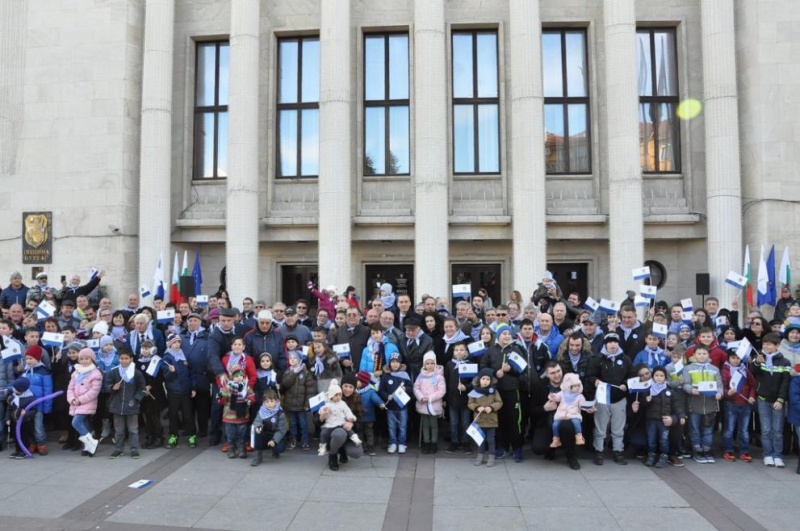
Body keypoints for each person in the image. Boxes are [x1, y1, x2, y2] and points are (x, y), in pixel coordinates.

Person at [479, 323, 526, 462]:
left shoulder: (516, 350)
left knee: (514, 420)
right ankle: (502, 447)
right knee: (499, 420)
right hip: (496, 392)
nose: (506, 336)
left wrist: (509, 370)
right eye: (504, 334)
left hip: (512, 390)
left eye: (508, 334)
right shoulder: (491, 350)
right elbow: (483, 367)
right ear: (498, 336)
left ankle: (517, 448)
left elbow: (523, 370)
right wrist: (494, 373)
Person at [587, 333, 633, 466]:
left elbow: (632, 375)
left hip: (619, 398)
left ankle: (618, 451)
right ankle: (599, 451)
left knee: (618, 428)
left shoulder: (625, 359)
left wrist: (626, 384)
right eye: (610, 342)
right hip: (602, 398)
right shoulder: (597, 359)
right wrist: (594, 381)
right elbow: (590, 375)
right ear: (605, 344)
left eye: (615, 342)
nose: (613, 344)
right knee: (600, 427)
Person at [750, 333, 791, 468]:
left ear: (777, 346)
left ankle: (777, 455)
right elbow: (752, 372)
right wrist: (756, 362)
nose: (766, 346)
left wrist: (780, 399)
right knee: (766, 429)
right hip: (763, 399)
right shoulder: (759, 358)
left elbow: (785, 383)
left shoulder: (784, 362)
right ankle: (767, 454)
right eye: (764, 344)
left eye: (769, 344)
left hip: (777, 401)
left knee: (777, 430)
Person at [682, 345, 723, 464]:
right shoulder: (688, 368)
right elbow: (686, 384)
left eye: (704, 353)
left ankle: (707, 449)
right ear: (694, 355)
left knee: (708, 429)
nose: (701, 356)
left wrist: (719, 393)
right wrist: (691, 390)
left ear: (708, 354)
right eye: (699, 353)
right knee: (694, 428)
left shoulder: (714, 369)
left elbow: (719, 385)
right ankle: (697, 450)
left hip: (710, 404)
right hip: (695, 403)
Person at [637, 366, 684, 468]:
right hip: (651, 420)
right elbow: (642, 405)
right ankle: (651, 455)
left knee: (664, 439)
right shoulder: (648, 390)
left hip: (663, 420)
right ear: (653, 377)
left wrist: (681, 415)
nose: (659, 378)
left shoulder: (669, 391)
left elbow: (676, 405)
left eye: (661, 376)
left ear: (665, 378)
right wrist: (646, 401)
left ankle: (664, 456)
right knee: (651, 439)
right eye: (656, 375)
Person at [107, 349, 146, 459]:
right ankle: (118, 449)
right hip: (117, 405)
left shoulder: (136, 373)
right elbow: (107, 385)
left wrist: (136, 399)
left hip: (131, 406)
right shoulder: (114, 371)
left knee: (133, 430)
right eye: (122, 358)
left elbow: (142, 389)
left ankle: (134, 449)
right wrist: (112, 388)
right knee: (119, 430)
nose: (124, 361)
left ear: (131, 359)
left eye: (126, 358)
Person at [720, 348, 756, 462]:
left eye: (738, 358)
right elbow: (723, 386)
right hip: (731, 403)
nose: (735, 360)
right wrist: (727, 393)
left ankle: (744, 451)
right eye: (733, 358)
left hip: (745, 404)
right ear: (728, 358)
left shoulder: (745, 370)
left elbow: (752, 385)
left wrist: (751, 396)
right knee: (729, 429)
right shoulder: (725, 370)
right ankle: (728, 450)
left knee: (744, 430)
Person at [162, 333, 196, 449]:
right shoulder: (167, 358)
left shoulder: (184, 355)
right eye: (174, 343)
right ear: (169, 345)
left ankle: (191, 435)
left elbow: (191, 373)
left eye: (178, 342)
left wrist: (193, 387)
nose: (176, 345)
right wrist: (171, 371)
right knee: (173, 415)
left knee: (188, 415)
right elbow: (167, 377)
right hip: (173, 391)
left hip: (186, 390)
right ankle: (173, 436)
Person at [67, 348, 103, 456]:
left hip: (86, 403)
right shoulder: (76, 372)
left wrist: (79, 400)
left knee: (76, 422)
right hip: (75, 403)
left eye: (87, 358)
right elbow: (70, 388)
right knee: (85, 425)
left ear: (92, 359)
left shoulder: (96, 374)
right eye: (81, 359)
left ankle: (92, 442)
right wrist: (72, 399)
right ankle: (88, 447)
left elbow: (93, 392)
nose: (84, 361)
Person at [20, 345, 53, 455]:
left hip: (38, 405)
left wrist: (47, 406)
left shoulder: (44, 371)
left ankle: (41, 443)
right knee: (29, 426)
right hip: (27, 404)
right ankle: (32, 443)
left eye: (31, 358)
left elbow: (48, 390)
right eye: (27, 358)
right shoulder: (25, 371)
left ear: (38, 358)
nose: (28, 361)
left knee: (38, 426)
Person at [468, 368, 503, 467]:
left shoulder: (494, 391)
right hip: (479, 420)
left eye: (487, 379)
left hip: (491, 420)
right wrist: (477, 407)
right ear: (479, 379)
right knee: (480, 440)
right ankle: (480, 456)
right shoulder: (474, 391)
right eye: (483, 379)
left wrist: (491, 408)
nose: (485, 381)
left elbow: (499, 402)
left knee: (491, 440)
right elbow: (470, 403)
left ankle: (491, 456)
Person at [444, 341, 474, 454]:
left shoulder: (470, 364)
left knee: (465, 422)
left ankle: (466, 442)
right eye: (456, 350)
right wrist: (445, 399)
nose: (459, 352)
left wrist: (466, 387)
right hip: (452, 399)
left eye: (461, 350)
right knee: (454, 422)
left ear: (466, 352)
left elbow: (474, 382)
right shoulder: (449, 364)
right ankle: (454, 441)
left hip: (465, 399)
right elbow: (446, 381)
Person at [217, 367, 255, 459]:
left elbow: (252, 396)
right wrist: (222, 394)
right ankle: (231, 449)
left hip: (242, 415)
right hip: (230, 416)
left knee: (241, 434)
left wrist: (250, 401)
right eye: (236, 376)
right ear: (232, 377)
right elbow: (221, 399)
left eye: (240, 376)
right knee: (230, 434)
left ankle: (242, 449)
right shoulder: (228, 386)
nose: (238, 378)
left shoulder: (246, 386)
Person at [281, 351, 315, 451]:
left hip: (301, 405)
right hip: (290, 404)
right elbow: (285, 384)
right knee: (292, 424)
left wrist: (307, 403)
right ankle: (293, 440)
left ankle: (305, 442)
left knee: (303, 424)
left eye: (295, 358)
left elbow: (310, 390)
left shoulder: (306, 373)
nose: (292, 360)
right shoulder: (288, 372)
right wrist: (293, 373)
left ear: (300, 360)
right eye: (290, 358)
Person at [379, 353, 411, 454]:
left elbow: (411, 388)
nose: (395, 364)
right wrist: (386, 396)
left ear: (400, 363)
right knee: (391, 426)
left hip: (402, 406)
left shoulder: (405, 375)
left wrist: (406, 388)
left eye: (397, 362)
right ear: (389, 363)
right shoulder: (385, 376)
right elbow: (381, 390)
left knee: (402, 426)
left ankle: (401, 443)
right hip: (391, 407)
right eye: (393, 362)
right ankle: (392, 443)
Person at [414, 351, 446, 454]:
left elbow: (441, 390)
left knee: (433, 425)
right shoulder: (420, 376)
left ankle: (434, 443)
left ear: (435, 364)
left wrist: (431, 398)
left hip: (433, 405)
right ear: (424, 364)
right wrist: (421, 397)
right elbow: (416, 387)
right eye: (427, 363)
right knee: (425, 425)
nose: (430, 366)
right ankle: (426, 442)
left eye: (432, 363)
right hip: (423, 404)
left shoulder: (439, 377)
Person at [318, 378, 360, 455]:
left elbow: (350, 413)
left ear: (354, 388)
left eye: (351, 387)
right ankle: (331, 453)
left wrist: (351, 421)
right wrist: (322, 415)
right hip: (331, 426)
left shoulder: (349, 401)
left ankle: (346, 448)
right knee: (336, 434)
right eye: (345, 386)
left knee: (356, 452)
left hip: (343, 425)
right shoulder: (327, 402)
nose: (348, 389)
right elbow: (318, 415)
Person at [250, 388, 288, 466]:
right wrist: (258, 426)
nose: (269, 404)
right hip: (264, 433)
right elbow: (257, 421)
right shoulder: (261, 411)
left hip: (275, 434)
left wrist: (274, 440)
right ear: (264, 402)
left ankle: (275, 450)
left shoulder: (280, 413)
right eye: (267, 402)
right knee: (256, 430)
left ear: (276, 401)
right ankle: (258, 456)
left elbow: (282, 430)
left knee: (280, 447)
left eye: (271, 401)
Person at [549, 372, 586, 448]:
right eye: (574, 386)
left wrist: (587, 407)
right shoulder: (562, 393)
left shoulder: (580, 396)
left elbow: (582, 405)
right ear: (568, 386)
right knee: (555, 424)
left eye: (578, 385)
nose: (577, 388)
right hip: (561, 414)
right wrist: (553, 396)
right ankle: (556, 438)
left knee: (576, 422)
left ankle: (579, 436)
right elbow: (557, 397)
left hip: (574, 414)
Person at [353, 370, 385, 456]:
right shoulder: (355, 391)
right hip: (358, 416)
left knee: (369, 432)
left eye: (357, 380)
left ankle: (370, 446)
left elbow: (376, 398)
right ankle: (361, 445)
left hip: (368, 416)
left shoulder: (370, 391)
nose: (356, 382)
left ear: (363, 382)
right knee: (359, 431)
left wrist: (381, 403)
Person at [5, 377, 35, 459]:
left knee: (24, 437)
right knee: (16, 436)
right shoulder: (13, 397)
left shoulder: (30, 398)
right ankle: (17, 450)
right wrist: (7, 418)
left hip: (25, 422)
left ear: (20, 389)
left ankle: (24, 451)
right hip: (15, 421)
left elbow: (34, 410)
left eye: (15, 388)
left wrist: (26, 414)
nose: (13, 389)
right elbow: (9, 408)